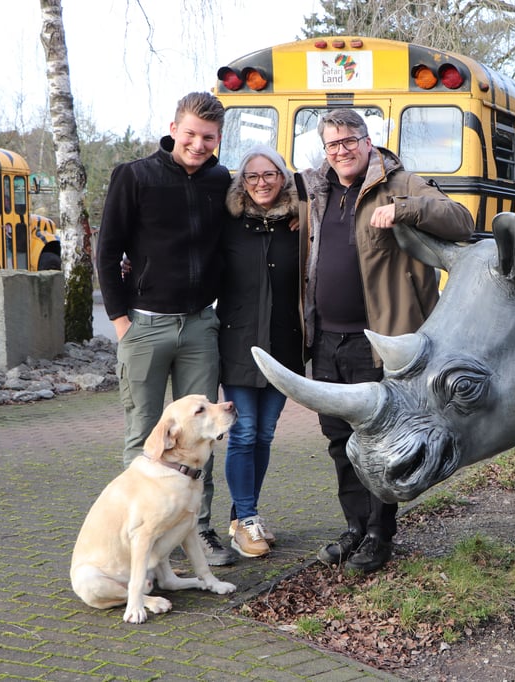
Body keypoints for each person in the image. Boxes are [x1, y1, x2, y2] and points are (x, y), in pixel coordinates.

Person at [295, 109, 474, 573]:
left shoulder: (400, 182)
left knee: (377, 437)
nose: (342, 151)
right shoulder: (316, 190)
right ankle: (354, 527)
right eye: (332, 145)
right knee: (339, 440)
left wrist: (407, 210)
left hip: (380, 341)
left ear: (367, 140)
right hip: (326, 340)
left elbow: (461, 220)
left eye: (349, 141)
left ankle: (379, 534)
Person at [96, 91, 236, 566]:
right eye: (192, 134)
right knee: (144, 437)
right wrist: (121, 322)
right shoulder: (134, 176)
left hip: (200, 326)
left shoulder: (221, 180)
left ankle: (199, 531)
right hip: (145, 327)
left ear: (219, 139)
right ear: (174, 128)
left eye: (209, 137)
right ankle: (141, 541)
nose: (199, 144)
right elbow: (108, 249)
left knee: (206, 433)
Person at [217, 145, 303, 558]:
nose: (261, 183)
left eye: (270, 174)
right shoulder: (229, 225)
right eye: (252, 176)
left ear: (283, 178)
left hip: (284, 344)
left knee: (265, 434)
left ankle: (242, 518)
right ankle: (246, 517)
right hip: (239, 343)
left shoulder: (299, 223)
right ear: (242, 182)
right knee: (244, 432)